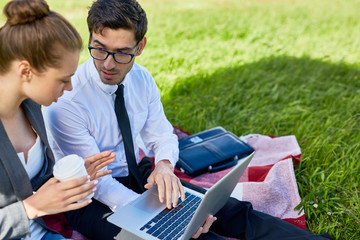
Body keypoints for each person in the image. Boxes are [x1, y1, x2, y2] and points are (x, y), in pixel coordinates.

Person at [43, 0, 333, 239]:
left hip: (137, 172)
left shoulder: (142, 79)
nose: (107, 63)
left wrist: (165, 165)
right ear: (90, 38)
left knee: (226, 210)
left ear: (140, 47)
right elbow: (100, 183)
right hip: (89, 195)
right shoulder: (67, 101)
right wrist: (170, 217)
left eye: (121, 53)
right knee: (190, 234)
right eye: (99, 48)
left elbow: (162, 134)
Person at [0, 0, 115, 239]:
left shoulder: (31, 107)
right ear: (25, 71)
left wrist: (68, 178)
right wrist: (31, 208)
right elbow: (30, 203)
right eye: (64, 79)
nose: (70, 87)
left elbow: (25, 184)